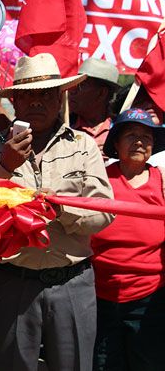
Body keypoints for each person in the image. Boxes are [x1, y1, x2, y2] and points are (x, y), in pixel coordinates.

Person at [0, 53, 114, 371]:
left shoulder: (83, 145)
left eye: (46, 93)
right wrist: (4, 165)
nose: (37, 102)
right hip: (12, 283)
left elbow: (105, 213)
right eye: (28, 95)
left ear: (60, 96)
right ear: (15, 101)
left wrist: (62, 209)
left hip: (72, 282)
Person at [91, 108, 165, 370]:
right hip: (100, 297)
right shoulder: (98, 178)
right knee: (104, 364)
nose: (139, 142)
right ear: (116, 143)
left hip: (150, 300)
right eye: (131, 135)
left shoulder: (162, 180)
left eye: (146, 136)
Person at [69, 57, 120, 156]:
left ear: (102, 93)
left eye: (80, 85)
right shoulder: (62, 126)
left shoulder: (120, 130)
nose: (72, 91)